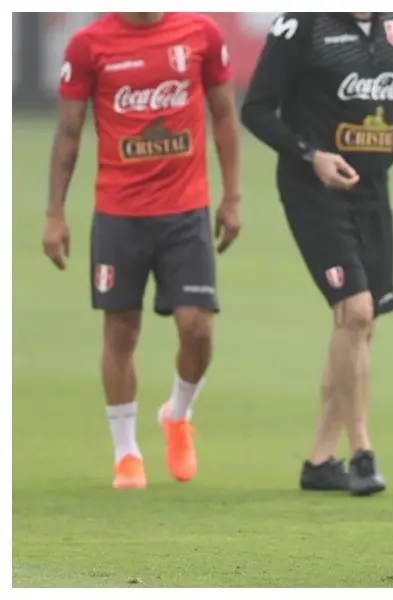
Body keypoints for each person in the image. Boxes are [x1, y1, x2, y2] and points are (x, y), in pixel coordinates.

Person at [241, 12, 393, 496]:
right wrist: (310, 154)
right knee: (356, 311)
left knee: (360, 325)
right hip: (313, 190)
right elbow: (256, 109)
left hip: (372, 191)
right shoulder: (303, 23)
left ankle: (321, 460)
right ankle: (362, 452)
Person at [43, 12, 243, 490]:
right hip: (118, 214)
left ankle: (178, 414)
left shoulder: (201, 34)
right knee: (120, 332)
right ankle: (126, 453)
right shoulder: (89, 45)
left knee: (197, 328)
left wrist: (232, 197)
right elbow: (68, 131)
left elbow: (223, 114)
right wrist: (55, 212)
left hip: (186, 211)